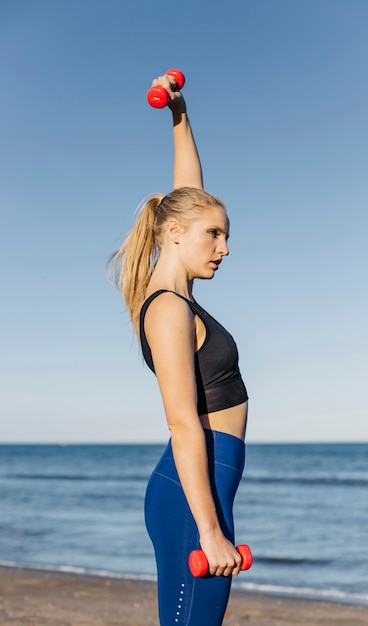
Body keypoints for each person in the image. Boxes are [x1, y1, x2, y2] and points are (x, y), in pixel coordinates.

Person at [109, 72, 249, 626]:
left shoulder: (175, 290)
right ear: (173, 234)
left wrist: (180, 112)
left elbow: (189, 194)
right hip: (195, 497)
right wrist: (210, 531)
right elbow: (183, 423)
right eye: (213, 234)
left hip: (207, 485)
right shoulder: (168, 307)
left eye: (225, 234)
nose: (225, 247)